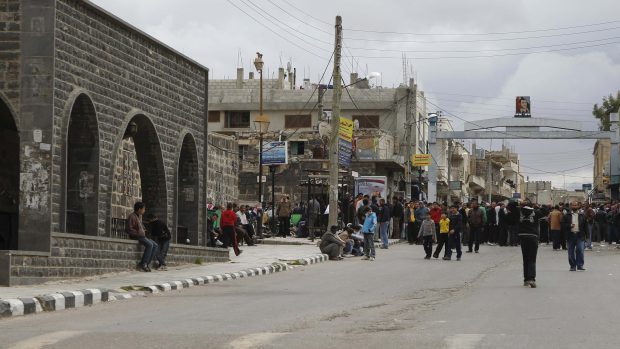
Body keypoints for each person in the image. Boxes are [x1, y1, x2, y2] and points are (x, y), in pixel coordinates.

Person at [126, 202, 164, 272]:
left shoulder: (138, 216)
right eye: (143, 209)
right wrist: (138, 233)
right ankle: (143, 264)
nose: (144, 210)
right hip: (137, 236)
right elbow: (129, 229)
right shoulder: (132, 216)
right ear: (139, 209)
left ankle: (146, 263)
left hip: (142, 236)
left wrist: (144, 231)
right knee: (150, 245)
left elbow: (142, 227)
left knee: (155, 245)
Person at [518, 202, 539, 288]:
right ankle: (531, 279)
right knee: (532, 258)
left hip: (522, 236)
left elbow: (510, 206)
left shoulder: (520, 212)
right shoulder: (536, 213)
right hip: (533, 236)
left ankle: (526, 279)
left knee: (525, 258)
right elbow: (545, 211)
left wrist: (520, 205)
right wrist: (536, 206)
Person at [563, 201, 586, 271]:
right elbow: (562, 225)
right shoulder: (566, 216)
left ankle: (580, 265)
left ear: (578, 206)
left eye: (575, 205)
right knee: (570, 252)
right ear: (571, 206)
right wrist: (569, 225)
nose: (574, 207)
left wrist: (587, 236)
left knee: (580, 250)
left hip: (580, 235)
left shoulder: (582, 215)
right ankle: (572, 266)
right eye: (573, 205)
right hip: (570, 236)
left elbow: (586, 226)